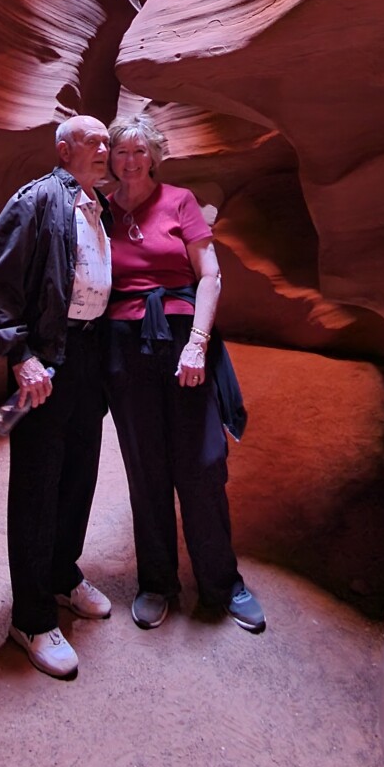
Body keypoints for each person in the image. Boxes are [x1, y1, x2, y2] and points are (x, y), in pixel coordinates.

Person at [105, 114, 265, 633]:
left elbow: (210, 275)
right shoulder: (102, 211)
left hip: (179, 340)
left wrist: (197, 344)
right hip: (126, 348)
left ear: (152, 155)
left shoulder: (179, 201)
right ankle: (157, 582)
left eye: (137, 151)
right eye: (120, 153)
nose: (129, 162)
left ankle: (223, 582)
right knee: (145, 467)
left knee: (202, 463)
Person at [0, 115, 114, 679]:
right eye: (92, 141)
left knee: (80, 472)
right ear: (63, 149)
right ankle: (30, 618)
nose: (104, 148)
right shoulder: (35, 202)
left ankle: (61, 575)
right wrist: (21, 356)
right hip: (45, 361)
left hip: (87, 357)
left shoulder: (95, 204)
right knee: (37, 484)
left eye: (108, 141)